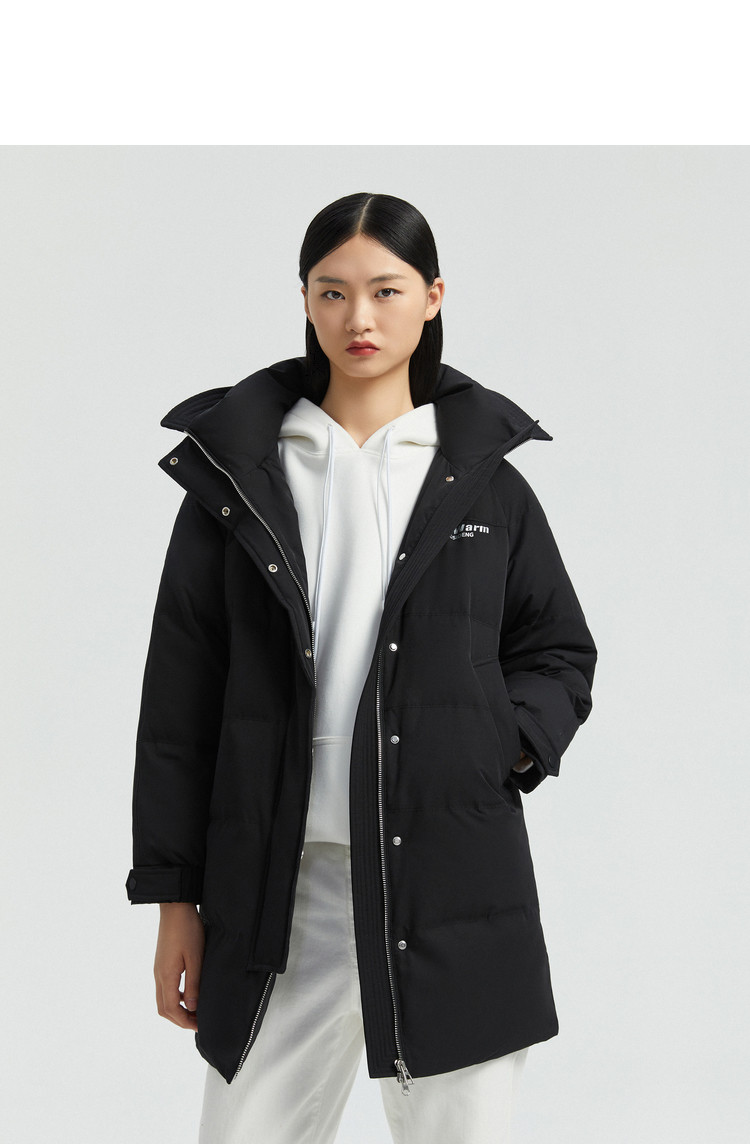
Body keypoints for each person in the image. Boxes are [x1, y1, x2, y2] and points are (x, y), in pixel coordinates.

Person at [126, 191, 598, 1144]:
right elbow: (180, 704)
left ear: (432, 297)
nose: (360, 318)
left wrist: (498, 746)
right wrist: (175, 898)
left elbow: (557, 650)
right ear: (305, 301)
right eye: (333, 292)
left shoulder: (488, 487)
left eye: (386, 290)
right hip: (278, 889)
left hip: (451, 878)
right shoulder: (237, 480)